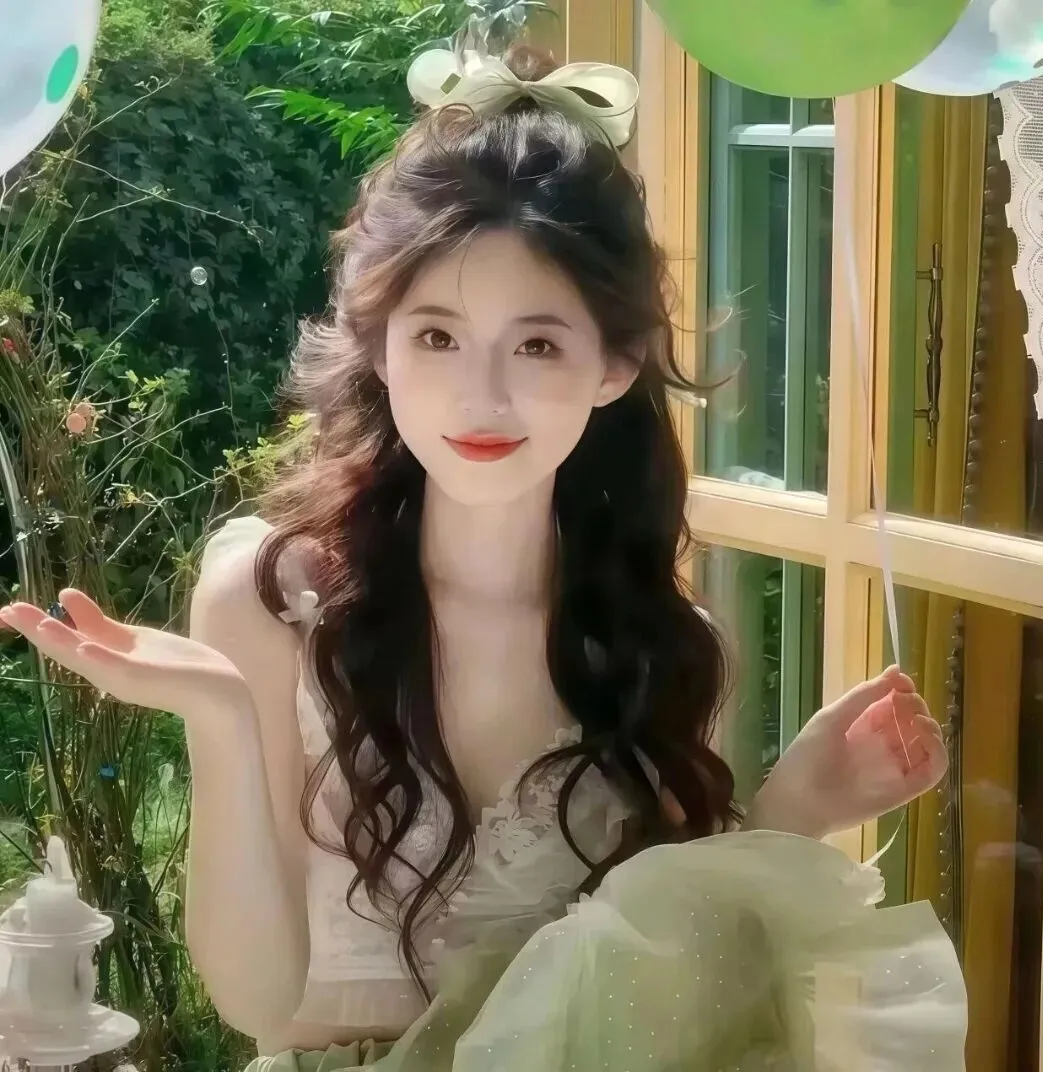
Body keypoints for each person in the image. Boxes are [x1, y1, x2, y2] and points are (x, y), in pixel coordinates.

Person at [0, 43, 967, 1072]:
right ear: (380, 347)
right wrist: (222, 716)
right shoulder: (275, 599)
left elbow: (677, 982)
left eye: (537, 344)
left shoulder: (661, 638)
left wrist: (794, 811)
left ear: (615, 365)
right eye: (437, 337)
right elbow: (261, 1007)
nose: (482, 395)